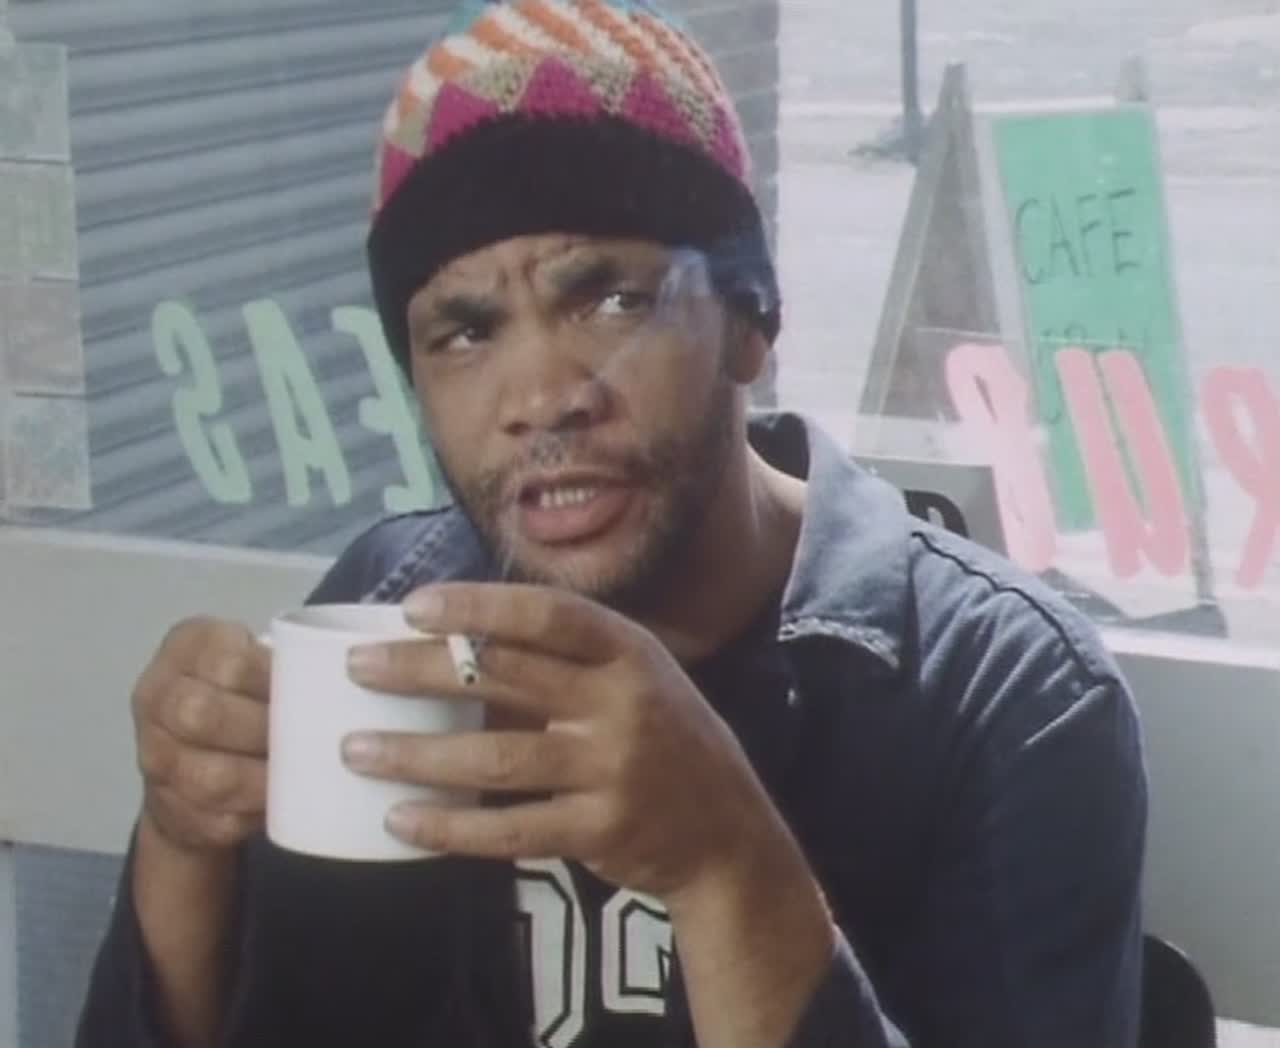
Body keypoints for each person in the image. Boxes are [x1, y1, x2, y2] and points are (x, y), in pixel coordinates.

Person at [77, 1, 1147, 1045]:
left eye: (610, 301)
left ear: (748, 324)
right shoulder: (391, 605)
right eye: (464, 332)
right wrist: (183, 842)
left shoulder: (1003, 695)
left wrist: (728, 864)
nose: (542, 396)